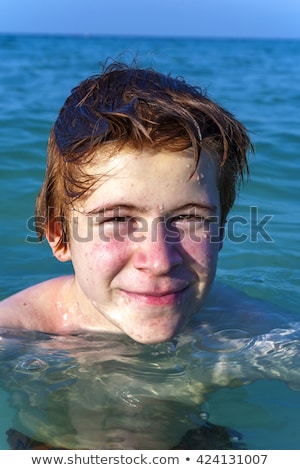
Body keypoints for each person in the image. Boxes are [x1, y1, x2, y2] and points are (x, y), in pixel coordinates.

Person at [0, 62, 298, 450]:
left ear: (221, 231)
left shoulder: (245, 330)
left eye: (190, 219)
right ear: (60, 236)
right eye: (119, 219)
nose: (158, 260)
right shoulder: (17, 336)